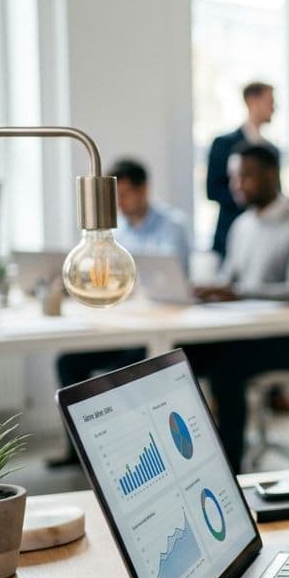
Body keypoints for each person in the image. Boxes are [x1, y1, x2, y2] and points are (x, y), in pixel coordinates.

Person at [185, 144, 289, 472]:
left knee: (226, 367)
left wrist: (236, 292)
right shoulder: (241, 226)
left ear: (270, 175)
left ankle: (230, 467)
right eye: (234, 177)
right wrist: (211, 291)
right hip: (247, 334)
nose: (236, 184)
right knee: (183, 356)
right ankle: (194, 453)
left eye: (245, 176)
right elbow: (229, 280)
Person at [51, 158, 191, 466]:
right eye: (116, 196)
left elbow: (172, 278)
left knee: (130, 366)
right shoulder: (113, 234)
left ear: (145, 190)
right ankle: (80, 452)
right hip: (122, 324)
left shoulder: (172, 226)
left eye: (126, 194)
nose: (120, 203)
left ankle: (134, 451)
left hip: (157, 328)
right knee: (69, 363)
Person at [207, 81, 278, 261]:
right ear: (252, 101)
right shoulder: (223, 144)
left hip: (267, 238)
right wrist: (250, 199)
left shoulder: (272, 150)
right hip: (229, 233)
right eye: (270, 101)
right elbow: (213, 190)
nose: (274, 108)